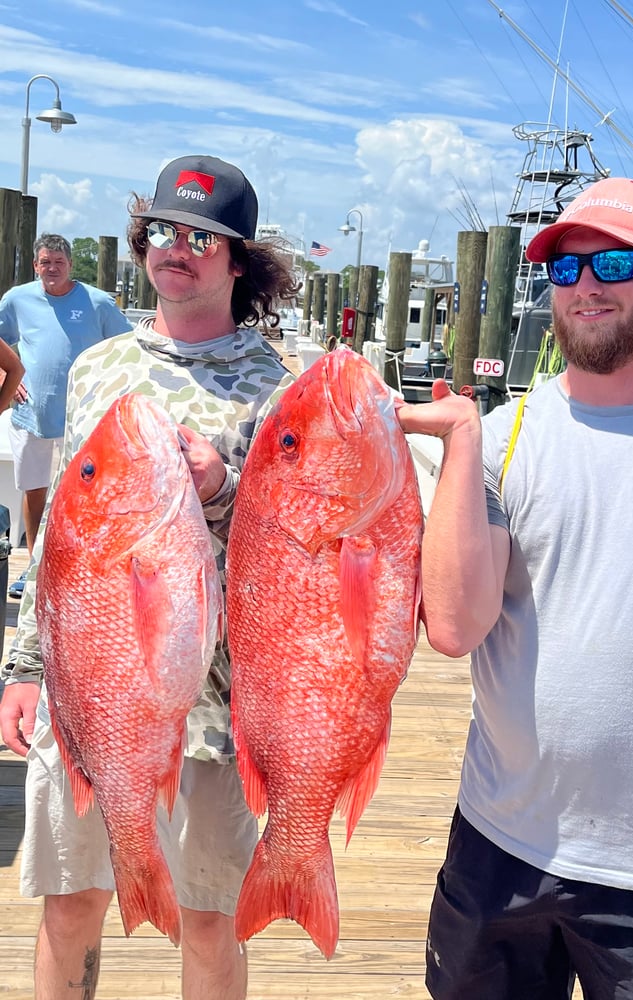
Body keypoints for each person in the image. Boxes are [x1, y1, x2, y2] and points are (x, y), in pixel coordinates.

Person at [398, 176, 633, 999]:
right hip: (497, 850)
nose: (586, 286)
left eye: (616, 262)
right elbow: (452, 624)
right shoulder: (506, 437)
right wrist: (462, 443)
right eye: (563, 268)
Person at [0, 154, 301, 1000]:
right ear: (142, 244)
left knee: (211, 922)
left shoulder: (279, 390)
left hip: (215, 707)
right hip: (87, 689)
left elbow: (294, 560)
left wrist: (223, 489)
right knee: (70, 905)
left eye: (205, 236)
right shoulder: (100, 368)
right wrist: (25, 669)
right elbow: (61, 534)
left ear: (238, 261)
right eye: (164, 230)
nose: (180, 248)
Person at [0, 233, 132, 598]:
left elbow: (127, 349)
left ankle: (80, 568)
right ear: (35, 265)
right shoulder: (17, 299)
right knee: (34, 488)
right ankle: (33, 568)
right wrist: (4, 374)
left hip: (83, 417)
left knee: (84, 493)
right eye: (45, 262)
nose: (52, 268)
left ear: (71, 266)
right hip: (31, 414)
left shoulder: (99, 303)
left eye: (58, 262)